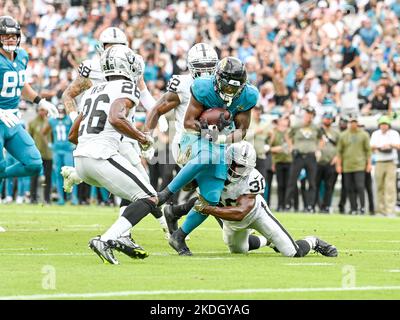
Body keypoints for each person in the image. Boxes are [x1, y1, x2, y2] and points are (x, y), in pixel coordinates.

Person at [61, 27, 168, 236]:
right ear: (102, 48)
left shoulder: (131, 64)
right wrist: (77, 120)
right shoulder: (91, 67)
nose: (114, 52)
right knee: (140, 183)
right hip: (108, 128)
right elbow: (69, 95)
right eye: (110, 47)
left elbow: (144, 94)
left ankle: (76, 174)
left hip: (123, 130)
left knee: (135, 179)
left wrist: (159, 115)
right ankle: (163, 228)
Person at [157, 57, 259, 256]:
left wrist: (221, 139)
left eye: (233, 88)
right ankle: (165, 194)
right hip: (194, 137)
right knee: (206, 156)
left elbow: (242, 131)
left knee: (211, 199)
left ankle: (179, 236)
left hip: (221, 143)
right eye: (226, 86)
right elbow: (188, 122)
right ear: (217, 79)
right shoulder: (203, 88)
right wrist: (210, 133)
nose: (229, 92)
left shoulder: (248, 96)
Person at [70, 45, 156, 264]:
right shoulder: (127, 86)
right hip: (101, 155)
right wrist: (142, 137)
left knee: (132, 192)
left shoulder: (91, 91)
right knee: (149, 197)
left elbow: (73, 134)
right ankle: (107, 238)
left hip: (81, 160)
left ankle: (122, 237)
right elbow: (116, 118)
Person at [194, 141, 337, 257]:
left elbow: (241, 213)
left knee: (293, 252)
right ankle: (267, 241)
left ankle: (313, 241)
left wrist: (208, 209)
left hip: (256, 214)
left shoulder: (253, 178)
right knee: (240, 251)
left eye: (242, 167)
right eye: (234, 164)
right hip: (230, 221)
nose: (237, 170)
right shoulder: (214, 171)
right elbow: (189, 185)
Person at [0, 16, 58, 202]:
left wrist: (40, 100)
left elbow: (20, 84)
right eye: (5, 35)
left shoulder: (22, 56)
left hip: (13, 121)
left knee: (34, 164)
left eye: (13, 35)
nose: (10, 39)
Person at [284, 106, 322, 213]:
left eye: (310, 115)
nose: (308, 117)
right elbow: (287, 135)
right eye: (307, 114)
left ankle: (310, 206)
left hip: (311, 156)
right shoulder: (296, 126)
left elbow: (321, 139)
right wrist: (291, 146)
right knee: (292, 181)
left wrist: (318, 149)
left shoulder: (316, 127)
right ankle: (287, 204)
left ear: (313, 116)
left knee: (312, 182)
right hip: (298, 156)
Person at [42, 104, 78, 205]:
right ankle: (61, 198)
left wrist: (74, 144)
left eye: (63, 111)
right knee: (58, 174)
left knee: (71, 174)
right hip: (57, 150)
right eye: (60, 111)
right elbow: (44, 133)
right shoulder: (52, 120)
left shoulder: (69, 120)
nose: (61, 113)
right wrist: (50, 145)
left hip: (67, 150)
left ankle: (73, 197)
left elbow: (77, 130)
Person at [336, 115, 372, 215]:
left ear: (357, 123)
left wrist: (369, 164)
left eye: (355, 122)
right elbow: (339, 152)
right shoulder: (343, 135)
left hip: (360, 165)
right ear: (349, 123)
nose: (353, 124)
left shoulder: (364, 135)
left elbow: (368, 151)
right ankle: (353, 207)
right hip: (347, 166)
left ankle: (362, 207)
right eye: (351, 122)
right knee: (349, 188)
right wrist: (339, 165)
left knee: (360, 187)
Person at [370, 116, 400, 216]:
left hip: (391, 162)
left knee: (390, 187)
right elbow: (371, 146)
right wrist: (380, 147)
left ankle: (390, 211)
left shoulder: (394, 134)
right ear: (379, 125)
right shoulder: (375, 134)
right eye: (382, 124)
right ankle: (380, 211)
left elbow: (398, 146)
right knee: (379, 186)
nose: (383, 126)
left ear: (389, 125)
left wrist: (390, 145)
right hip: (379, 162)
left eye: (385, 124)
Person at [315, 112, 340, 213]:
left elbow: (340, 146)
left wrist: (337, 157)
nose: (328, 120)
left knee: (329, 186)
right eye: (326, 118)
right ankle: (315, 205)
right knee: (315, 185)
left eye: (330, 118)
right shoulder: (317, 130)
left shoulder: (335, 132)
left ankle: (326, 206)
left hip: (330, 162)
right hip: (318, 162)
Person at [27, 106, 53, 204]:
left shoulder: (50, 122)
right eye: (41, 110)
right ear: (38, 111)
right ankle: (33, 198)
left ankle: (47, 198)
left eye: (44, 110)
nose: (43, 112)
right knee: (34, 176)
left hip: (48, 154)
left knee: (48, 176)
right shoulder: (32, 122)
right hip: (36, 154)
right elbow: (29, 138)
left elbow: (53, 137)